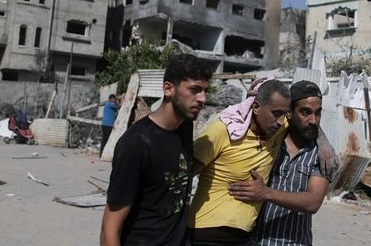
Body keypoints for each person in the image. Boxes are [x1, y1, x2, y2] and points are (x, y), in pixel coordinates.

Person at [100, 53, 212, 246]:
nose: (203, 98)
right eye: (195, 89)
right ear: (168, 89)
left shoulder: (184, 126)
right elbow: (109, 229)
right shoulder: (136, 144)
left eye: (204, 90)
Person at [190, 80, 292, 246]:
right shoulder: (224, 130)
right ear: (256, 107)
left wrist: (324, 145)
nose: (281, 121)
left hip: (243, 236)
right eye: (276, 113)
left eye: (284, 114)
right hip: (206, 232)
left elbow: (309, 120)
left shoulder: (277, 129)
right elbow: (185, 174)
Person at [229, 80, 329, 246]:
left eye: (317, 113)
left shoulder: (323, 155)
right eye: (305, 112)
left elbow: (313, 202)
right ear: (289, 112)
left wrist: (265, 193)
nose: (313, 120)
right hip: (254, 240)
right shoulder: (269, 142)